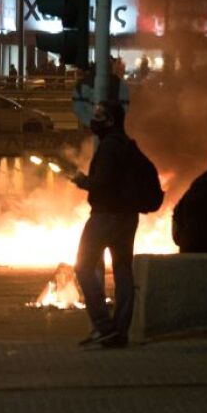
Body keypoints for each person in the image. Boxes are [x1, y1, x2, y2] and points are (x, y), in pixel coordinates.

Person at [72, 100, 138, 349]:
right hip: (128, 217)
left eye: (100, 116)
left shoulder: (109, 147)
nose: (95, 120)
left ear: (110, 120)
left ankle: (103, 325)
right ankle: (120, 332)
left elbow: (102, 183)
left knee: (84, 266)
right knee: (123, 272)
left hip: (105, 216)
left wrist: (82, 181)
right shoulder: (128, 146)